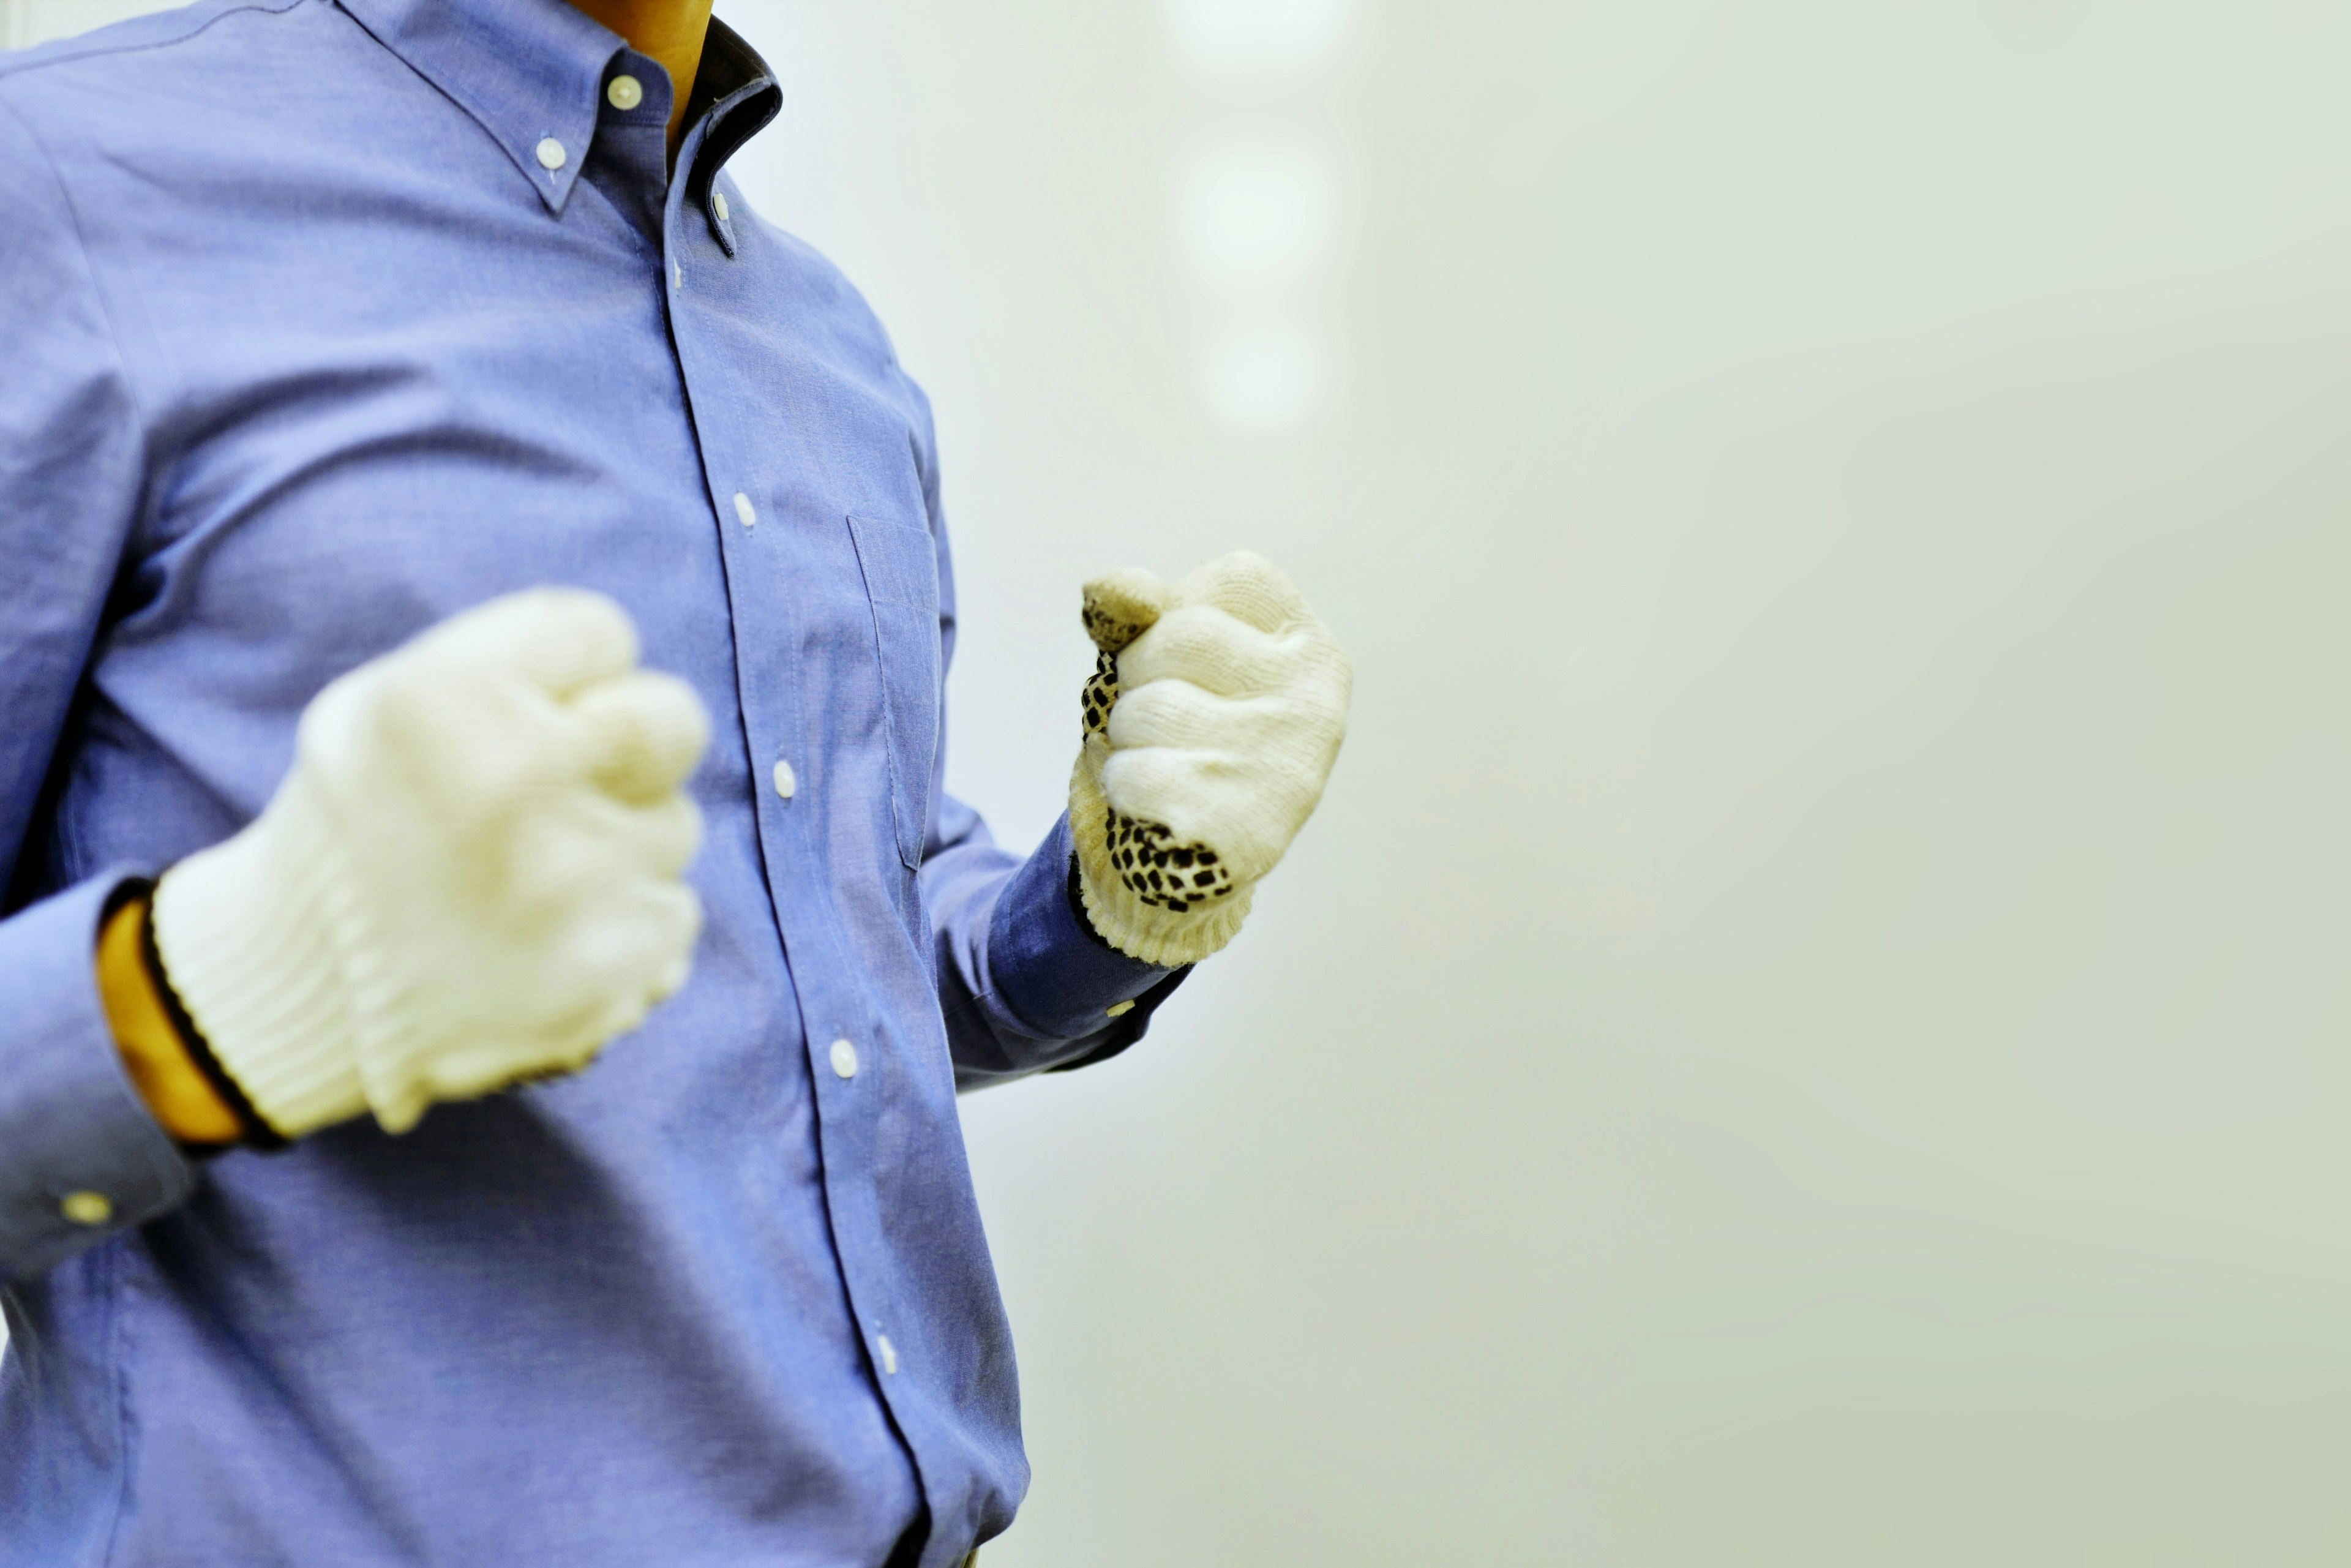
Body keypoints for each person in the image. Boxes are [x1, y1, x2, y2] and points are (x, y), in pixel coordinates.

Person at [0, 0, 1351, 1562]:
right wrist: (212, 1000)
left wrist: (1112, 899)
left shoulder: (831, 351)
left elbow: (827, 965)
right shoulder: (66, 189)